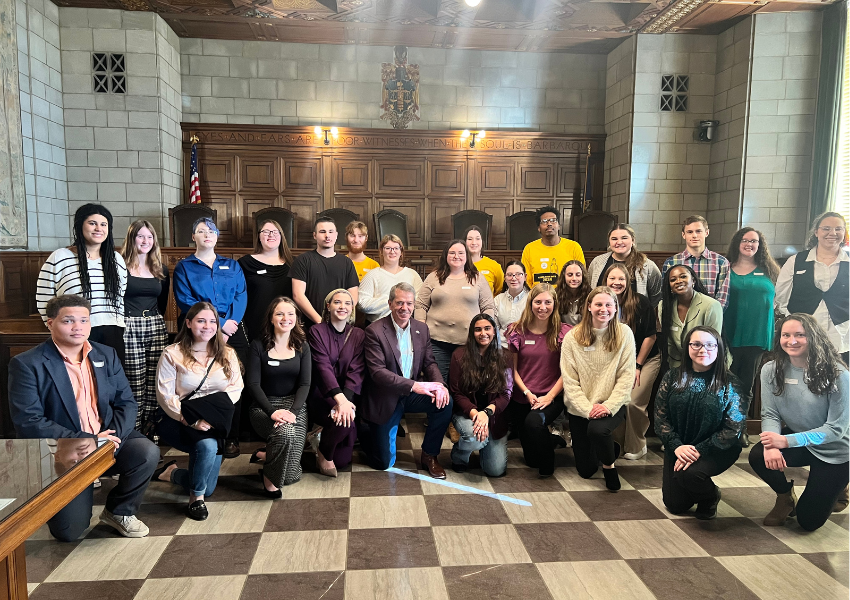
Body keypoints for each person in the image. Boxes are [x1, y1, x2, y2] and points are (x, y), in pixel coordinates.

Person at [10, 295, 158, 540]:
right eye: (68, 321)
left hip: (109, 438)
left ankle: (119, 511)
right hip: (65, 449)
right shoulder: (27, 364)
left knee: (146, 452)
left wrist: (114, 438)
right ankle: (79, 489)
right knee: (69, 533)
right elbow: (28, 421)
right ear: (50, 323)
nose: (77, 327)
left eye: (83, 320)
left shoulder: (105, 354)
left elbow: (127, 402)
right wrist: (88, 439)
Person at [749, 314, 849, 531]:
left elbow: (836, 429)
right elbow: (770, 414)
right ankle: (785, 498)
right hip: (801, 441)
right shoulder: (770, 370)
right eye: (786, 335)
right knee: (758, 455)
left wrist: (785, 441)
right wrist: (771, 446)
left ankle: (839, 488)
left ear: (813, 337)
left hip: (835, 451)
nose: (791, 341)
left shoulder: (838, 373)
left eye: (800, 335)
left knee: (807, 522)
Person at [154, 302, 243, 520]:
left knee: (208, 486)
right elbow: (165, 395)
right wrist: (191, 420)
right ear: (189, 323)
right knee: (207, 445)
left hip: (214, 421)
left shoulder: (227, 353)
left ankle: (172, 473)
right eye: (201, 321)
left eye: (212, 321)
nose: (207, 326)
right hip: (179, 419)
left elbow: (235, 387)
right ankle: (196, 501)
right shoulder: (172, 354)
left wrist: (212, 416)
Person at [172, 217, 248, 458]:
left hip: (232, 329)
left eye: (211, 231)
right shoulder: (184, 267)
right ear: (193, 237)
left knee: (233, 380)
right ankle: (202, 430)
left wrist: (228, 327)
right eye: (201, 231)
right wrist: (219, 325)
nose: (207, 234)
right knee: (200, 378)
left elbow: (241, 295)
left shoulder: (232, 265)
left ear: (217, 236)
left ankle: (231, 436)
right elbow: (185, 300)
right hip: (199, 329)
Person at [360, 282, 452, 479]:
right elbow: (377, 372)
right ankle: (368, 432)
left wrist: (440, 386)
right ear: (390, 303)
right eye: (400, 303)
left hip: (411, 394)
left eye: (409, 303)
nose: (405, 308)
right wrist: (415, 385)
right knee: (383, 463)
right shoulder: (374, 331)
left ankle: (429, 455)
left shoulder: (421, 329)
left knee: (445, 402)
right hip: (385, 397)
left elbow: (429, 363)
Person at [654, 326, 746, 519]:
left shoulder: (731, 383)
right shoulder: (672, 376)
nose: (703, 350)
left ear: (719, 349)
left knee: (689, 475)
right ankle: (694, 486)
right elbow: (660, 418)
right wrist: (677, 446)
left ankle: (710, 496)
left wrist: (699, 450)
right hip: (679, 446)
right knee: (675, 505)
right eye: (696, 344)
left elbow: (732, 429)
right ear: (687, 347)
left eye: (710, 345)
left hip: (716, 448)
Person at [561, 287, 636, 491]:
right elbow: (570, 381)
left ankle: (609, 466)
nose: (604, 309)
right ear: (589, 307)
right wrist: (588, 410)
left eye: (608, 305)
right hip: (580, 407)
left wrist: (608, 406)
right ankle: (610, 447)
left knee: (598, 430)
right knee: (585, 470)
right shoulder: (572, 337)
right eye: (599, 304)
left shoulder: (624, 333)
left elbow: (626, 376)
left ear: (615, 308)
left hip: (611, 403)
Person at [36, 204, 128, 361]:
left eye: (103, 224)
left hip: (112, 330)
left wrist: (119, 324)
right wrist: (56, 327)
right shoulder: (60, 257)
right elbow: (44, 297)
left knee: (111, 380)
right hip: (75, 331)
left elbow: (120, 297)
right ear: (80, 225)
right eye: (92, 223)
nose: (98, 228)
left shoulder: (115, 259)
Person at [246, 296, 311, 491]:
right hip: (264, 406)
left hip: (295, 406)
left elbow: (305, 384)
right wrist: (272, 412)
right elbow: (253, 384)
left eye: (291, 314)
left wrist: (293, 411)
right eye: (280, 313)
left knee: (291, 476)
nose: (286, 318)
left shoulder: (303, 346)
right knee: (286, 431)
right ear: (271, 318)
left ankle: (266, 454)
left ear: (296, 318)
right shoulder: (258, 346)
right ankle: (269, 480)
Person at [507, 283, 571, 478]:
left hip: (551, 396)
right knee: (531, 459)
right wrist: (527, 393)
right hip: (522, 397)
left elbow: (567, 371)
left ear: (555, 304)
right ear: (530, 303)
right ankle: (555, 441)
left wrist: (549, 397)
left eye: (548, 302)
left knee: (534, 424)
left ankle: (548, 467)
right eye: (538, 302)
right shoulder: (516, 330)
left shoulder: (565, 332)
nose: (543, 307)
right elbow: (513, 369)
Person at [414, 239, 495, 382]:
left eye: (460, 253)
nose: (456, 256)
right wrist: (421, 328)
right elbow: (420, 305)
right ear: (446, 255)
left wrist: (485, 331)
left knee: (465, 383)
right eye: (452, 252)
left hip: (468, 343)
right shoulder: (433, 277)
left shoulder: (477, 278)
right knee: (439, 384)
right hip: (436, 342)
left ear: (467, 256)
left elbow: (488, 307)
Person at [604, 264, 661, 460]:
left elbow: (650, 337)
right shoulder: (603, 302)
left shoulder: (640, 302)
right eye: (612, 279)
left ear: (628, 282)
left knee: (634, 401)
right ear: (605, 280)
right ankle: (618, 444)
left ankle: (637, 444)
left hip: (645, 359)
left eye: (621, 279)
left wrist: (637, 366)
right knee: (616, 400)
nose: (616, 283)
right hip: (617, 362)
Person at [775, 211, 849, 364]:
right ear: (816, 232)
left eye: (838, 229)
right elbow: (782, 295)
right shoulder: (795, 261)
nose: (832, 233)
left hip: (841, 333)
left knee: (839, 380)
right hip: (802, 333)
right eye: (826, 228)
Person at [308, 289, 366, 476]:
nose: (342, 307)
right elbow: (322, 368)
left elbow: (356, 370)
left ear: (352, 308)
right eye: (337, 302)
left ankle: (320, 438)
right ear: (328, 306)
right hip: (323, 394)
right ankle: (324, 453)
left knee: (342, 460)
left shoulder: (358, 334)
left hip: (348, 395)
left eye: (347, 303)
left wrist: (346, 402)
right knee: (346, 423)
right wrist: (339, 401)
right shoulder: (316, 331)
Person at [120, 220, 170, 431]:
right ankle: (134, 427)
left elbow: (163, 301)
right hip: (130, 325)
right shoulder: (119, 266)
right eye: (141, 236)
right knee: (135, 379)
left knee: (155, 378)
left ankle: (150, 426)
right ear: (132, 239)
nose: (145, 241)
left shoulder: (160, 268)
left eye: (150, 237)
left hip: (155, 324)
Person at [449, 314, 512, 476]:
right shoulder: (459, 355)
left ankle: (479, 443)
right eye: (478, 330)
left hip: (494, 416)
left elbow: (506, 394)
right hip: (467, 414)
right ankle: (459, 457)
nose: (483, 333)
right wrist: (476, 414)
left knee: (495, 470)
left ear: (494, 331)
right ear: (472, 333)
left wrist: (487, 413)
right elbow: (456, 392)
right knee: (475, 438)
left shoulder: (505, 356)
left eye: (487, 328)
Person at [723, 227, 780, 400]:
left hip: (756, 336)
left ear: (760, 245)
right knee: (725, 384)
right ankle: (723, 424)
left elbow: (781, 299)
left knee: (745, 386)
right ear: (737, 243)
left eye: (754, 241)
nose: (749, 244)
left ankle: (740, 425)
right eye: (745, 240)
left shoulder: (770, 270)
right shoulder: (725, 268)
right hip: (729, 334)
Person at [291, 216, 359, 328]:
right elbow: (298, 295)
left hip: (340, 326)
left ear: (336, 235)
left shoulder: (347, 263)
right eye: (322, 232)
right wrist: (321, 322)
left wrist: (340, 320)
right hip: (311, 325)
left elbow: (353, 297)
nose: (327, 236)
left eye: (331, 232)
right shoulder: (303, 260)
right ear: (314, 235)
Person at [238, 218, 294, 344]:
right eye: (266, 232)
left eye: (275, 232)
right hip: (254, 325)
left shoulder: (293, 264)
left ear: (281, 236)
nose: (271, 235)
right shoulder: (244, 263)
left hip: (285, 326)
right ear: (259, 237)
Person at [659, 265, 724, 369]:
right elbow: (670, 344)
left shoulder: (711, 305)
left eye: (683, 276)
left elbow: (712, 346)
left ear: (693, 280)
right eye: (673, 279)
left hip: (706, 362)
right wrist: (676, 372)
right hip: (677, 363)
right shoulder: (664, 306)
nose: (678, 281)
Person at [661, 215, 730, 309]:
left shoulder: (721, 262)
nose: (694, 235)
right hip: (679, 317)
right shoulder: (671, 262)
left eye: (698, 231)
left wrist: (710, 317)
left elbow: (722, 299)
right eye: (690, 232)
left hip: (709, 318)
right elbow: (667, 294)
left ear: (707, 232)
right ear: (683, 235)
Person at [588, 224, 663, 307]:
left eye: (624, 238)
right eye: (614, 239)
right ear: (609, 241)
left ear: (633, 240)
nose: (619, 242)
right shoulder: (597, 262)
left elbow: (656, 295)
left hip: (635, 316)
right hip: (603, 315)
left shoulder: (647, 265)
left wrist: (643, 313)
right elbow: (590, 287)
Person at [358, 234, 423, 323]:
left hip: (406, 325)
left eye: (396, 248)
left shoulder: (412, 274)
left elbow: (420, 300)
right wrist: (391, 301)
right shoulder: (372, 275)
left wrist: (399, 304)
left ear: (401, 252)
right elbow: (362, 303)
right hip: (378, 326)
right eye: (388, 248)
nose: (392, 252)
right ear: (381, 251)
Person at [521, 205, 585, 286]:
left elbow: (581, 278)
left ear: (559, 226)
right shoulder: (529, 249)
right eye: (544, 221)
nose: (549, 224)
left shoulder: (574, 247)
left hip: (567, 297)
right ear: (539, 228)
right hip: (539, 297)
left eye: (553, 220)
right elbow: (526, 282)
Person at [493, 261, 528, 348]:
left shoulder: (532, 299)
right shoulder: (498, 300)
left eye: (518, 274)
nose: (514, 278)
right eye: (509, 275)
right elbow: (494, 328)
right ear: (505, 278)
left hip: (525, 347)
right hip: (502, 347)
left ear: (525, 277)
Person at [465, 225, 504, 296]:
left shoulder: (494, 266)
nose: (474, 242)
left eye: (477, 239)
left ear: (482, 242)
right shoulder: (458, 265)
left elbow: (499, 291)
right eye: (470, 239)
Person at [556, 260, 591, 327]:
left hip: (585, 334)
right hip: (562, 334)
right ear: (564, 276)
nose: (574, 278)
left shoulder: (591, 295)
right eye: (570, 275)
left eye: (578, 275)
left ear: (583, 276)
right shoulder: (556, 295)